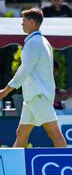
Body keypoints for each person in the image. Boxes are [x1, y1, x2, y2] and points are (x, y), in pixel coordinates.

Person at [0, 8, 67, 148]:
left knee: (55, 135)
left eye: (23, 20)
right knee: (21, 133)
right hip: (33, 97)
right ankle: (15, 166)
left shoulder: (34, 43)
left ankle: (66, 165)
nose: (21, 24)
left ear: (31, 22)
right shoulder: (42, 41)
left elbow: (24, 70)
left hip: (38, 96)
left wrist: (5, 91)